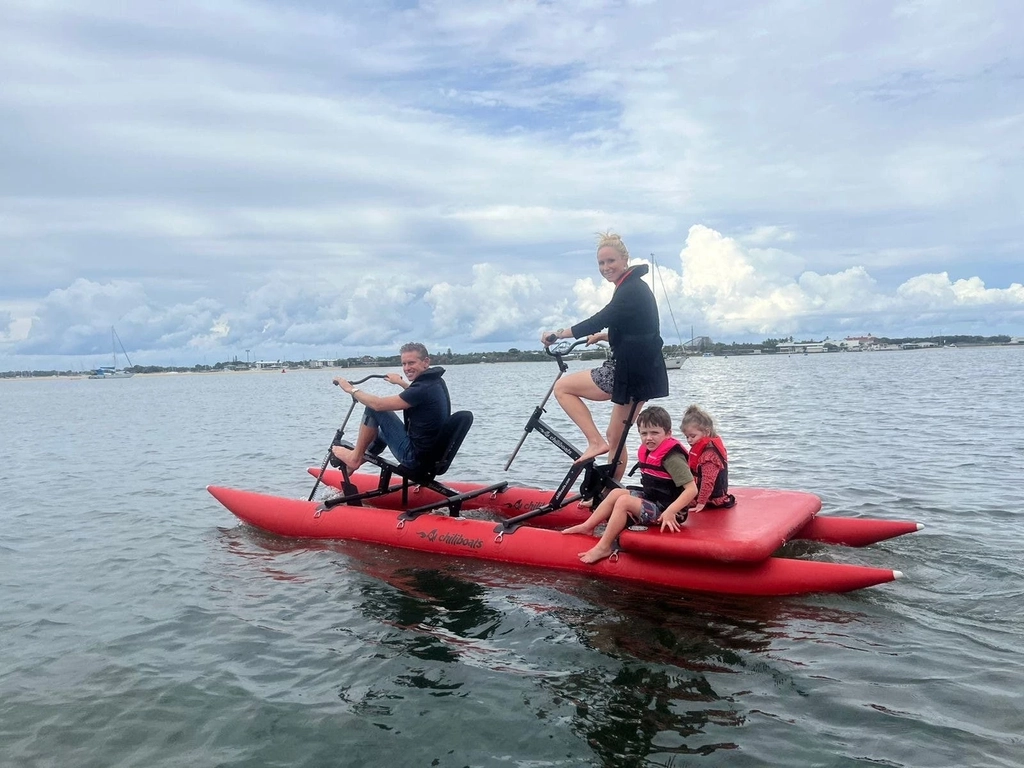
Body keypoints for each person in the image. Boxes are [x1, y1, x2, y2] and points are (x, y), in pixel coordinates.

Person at [540, 232, 669, 480]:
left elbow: (600, 319)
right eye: (601, 263)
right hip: (645, 371)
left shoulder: (630, 289)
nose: (606, 267)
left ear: (624, 260)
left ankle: (594, 442)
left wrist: (558, 335)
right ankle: (610, 492)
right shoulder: (633, 287)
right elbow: (639, 332)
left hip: (628, 371)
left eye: (611, 261)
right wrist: (604, 337)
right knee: (616, 437)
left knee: (563, 388)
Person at [561, 406, 697, 564]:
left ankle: (604, 546)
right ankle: (588, 526)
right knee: (616, 493)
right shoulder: (649, 451)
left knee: (624, 502)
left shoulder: (672, 458)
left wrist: (671, 512)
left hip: (668, 512)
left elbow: (691, 489)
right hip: (654, 501)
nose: (648, 438)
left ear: (668, 433)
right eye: (644, 433)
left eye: (654, 433)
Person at [330, 342, 450, 472]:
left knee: (374, 409)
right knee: (383, 432)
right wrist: (401, 383)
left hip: (415, 459)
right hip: (430, 458)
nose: (407, 368)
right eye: (404, 364)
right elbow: (416, 395)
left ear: (426, 362)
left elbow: (378, 405)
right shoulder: (434, 382)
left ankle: (355, 458)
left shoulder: (422, 388)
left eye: (411, 363)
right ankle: (355, 463)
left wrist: (350, 389)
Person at [680, 404, 736, 512]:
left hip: (712, 500)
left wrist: (701, 503)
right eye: (687, 437)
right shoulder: (700, 449)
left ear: (706, 432)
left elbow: (707, 481)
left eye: (693, 436)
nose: (689, 440)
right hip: (698, 495)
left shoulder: (710, 456)